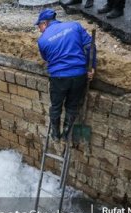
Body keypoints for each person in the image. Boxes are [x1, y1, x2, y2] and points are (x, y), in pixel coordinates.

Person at [35, 9, 96, 141]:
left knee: (56, 106)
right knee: (72, 106)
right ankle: (67, 131)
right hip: (79, 75)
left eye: (39, 26)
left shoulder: (42, 40)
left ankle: (55, 134)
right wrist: (91, 68)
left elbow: (47, 58)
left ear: (44, 23)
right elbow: (90, 47)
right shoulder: (75, 26)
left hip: (59, 78)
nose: (40, 30)